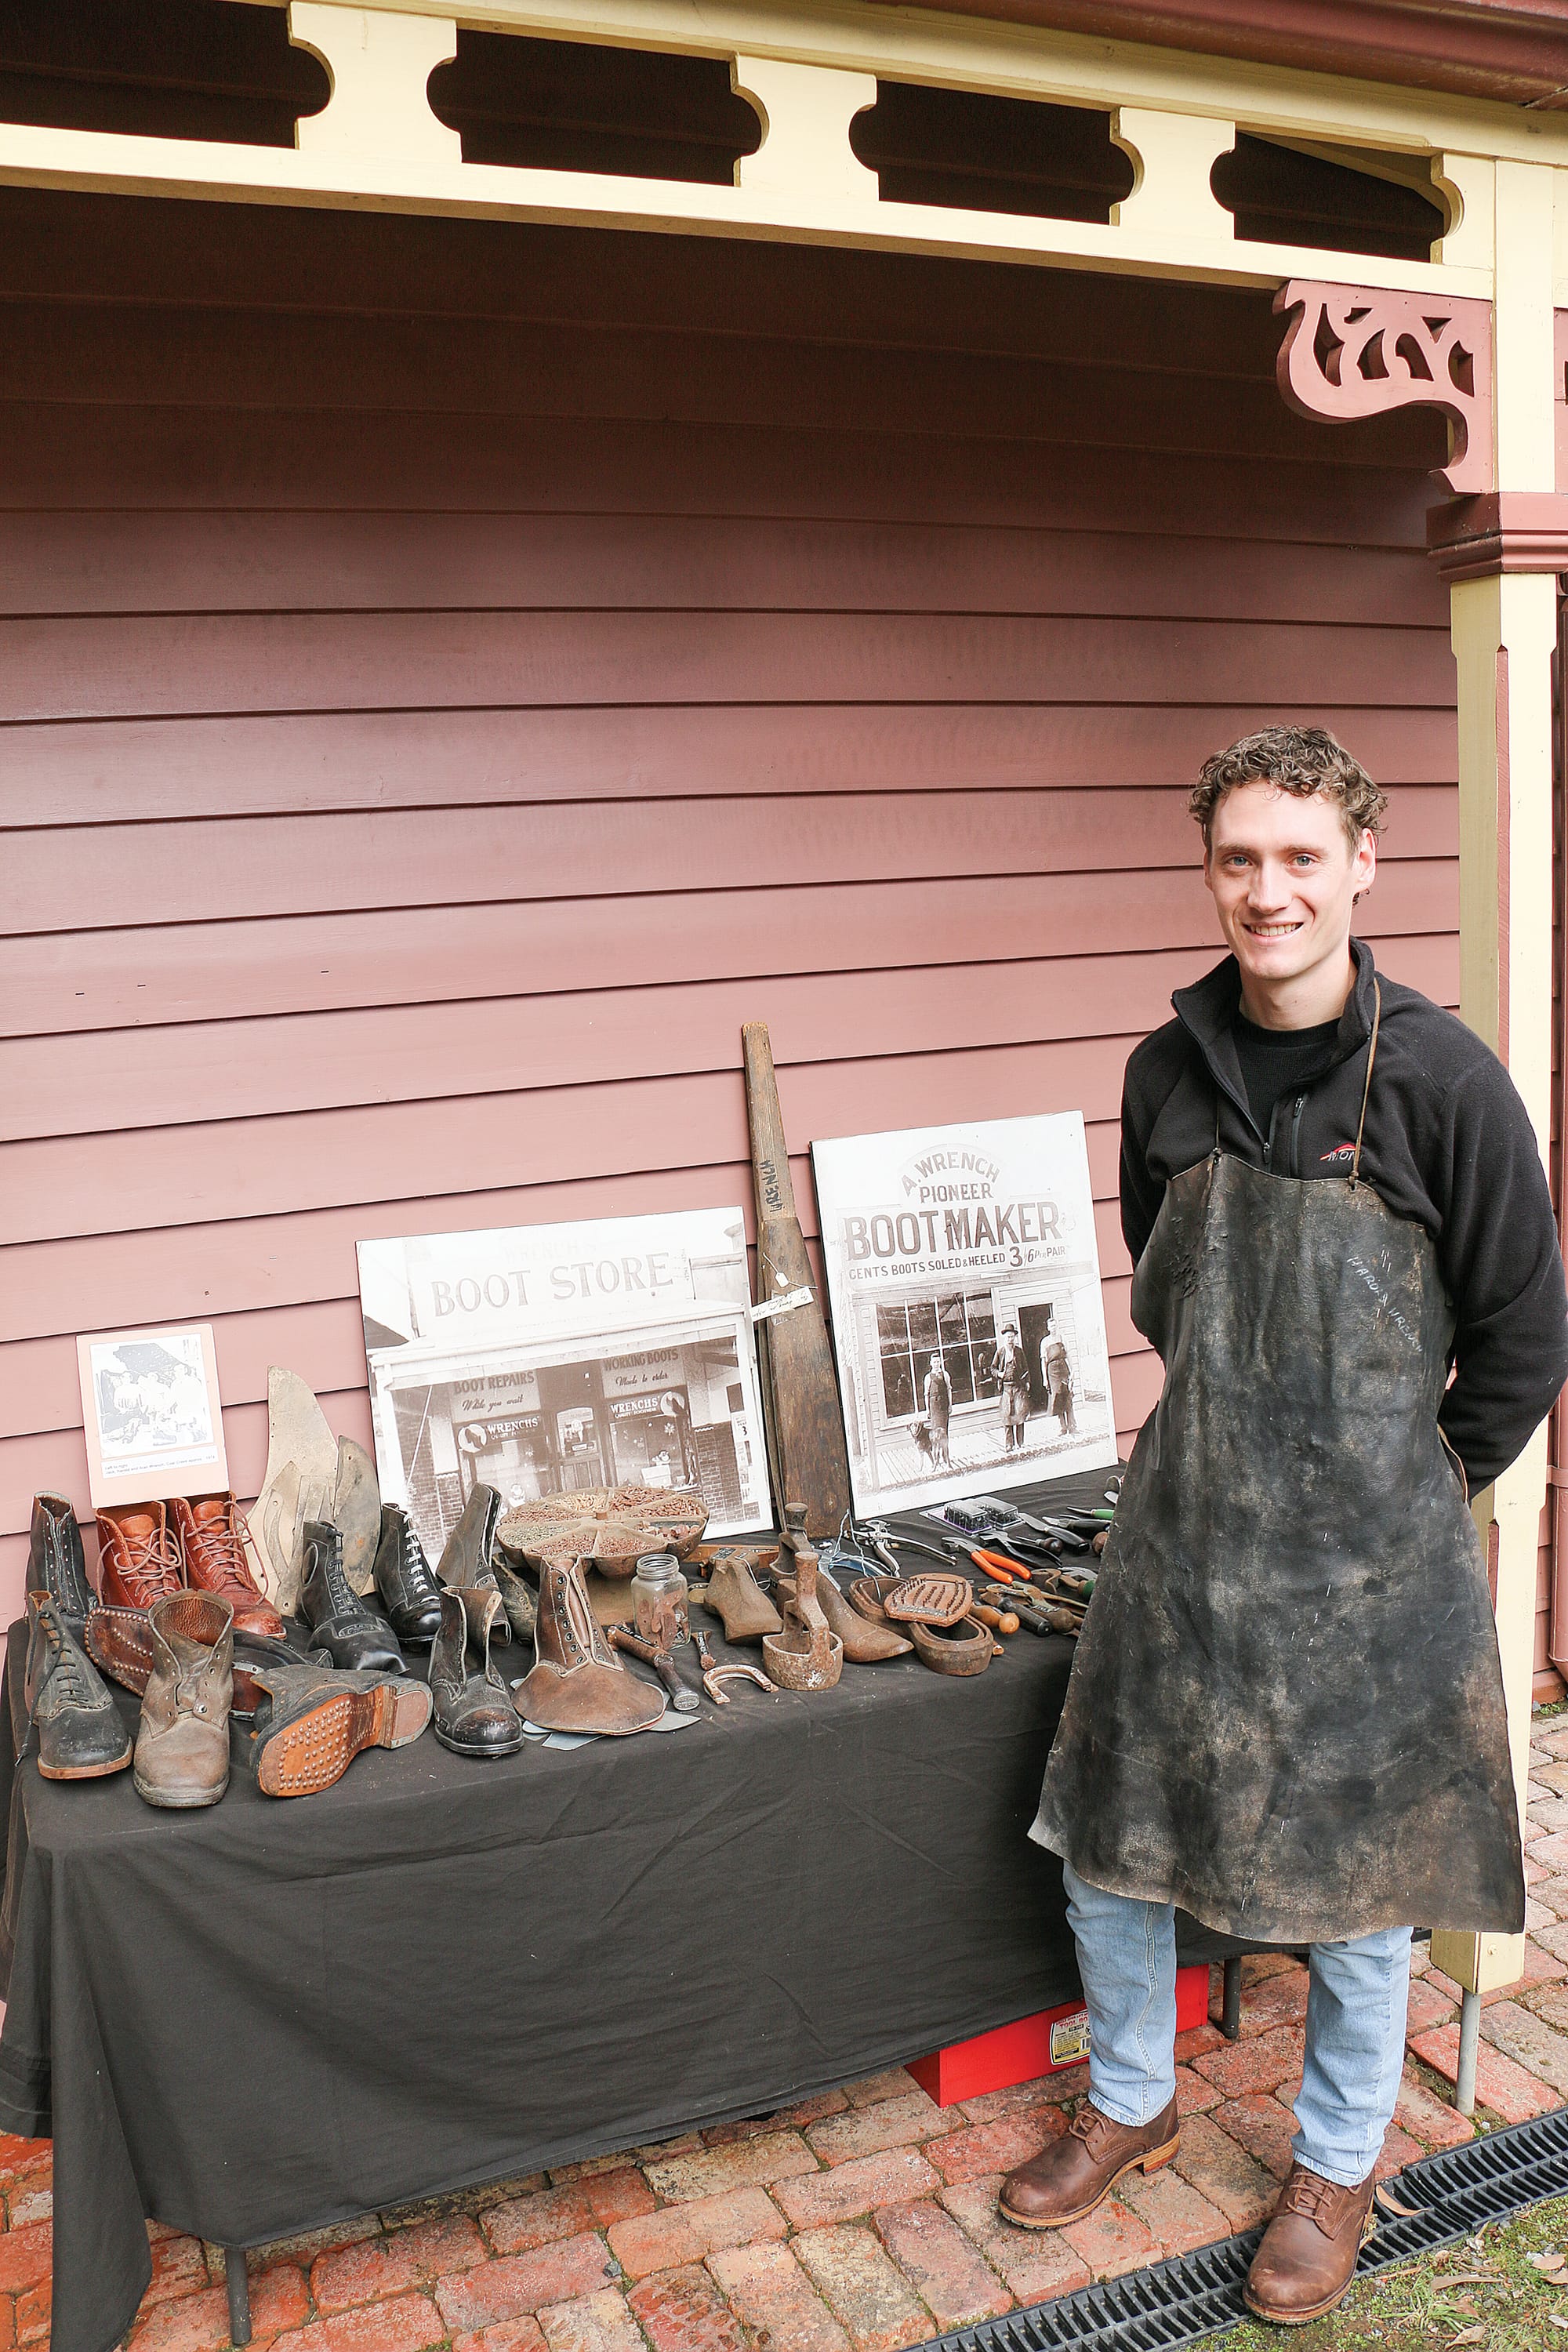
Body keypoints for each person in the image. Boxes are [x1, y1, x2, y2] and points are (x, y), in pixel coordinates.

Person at [1001, 726, 1568, 2327]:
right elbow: (1167, 1286)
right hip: (1181, 1538)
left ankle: (1334, 2164)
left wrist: (1415, 1487)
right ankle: (1131, 2098)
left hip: (1372, 1573)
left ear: (1362, 864)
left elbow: (1524, 1332)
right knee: (1110, 1840)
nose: (1271, 892)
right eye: (1241, 859)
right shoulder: (1162, 1074)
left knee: (1358, 1885)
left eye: (1302, 857)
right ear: (1210, 872)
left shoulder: (1446, 1082)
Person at [991, 1323, 1030, 1454]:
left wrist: (1027, 1381)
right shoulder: (1000, 1352)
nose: (1010, 1339)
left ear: (1015, 1338)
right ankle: (1009, 1444)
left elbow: (1026, 1367)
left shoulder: (1019, 1351)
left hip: (1018, 1386)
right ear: (1004, 1338)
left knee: (1020, 1413)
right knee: (1007, 1415)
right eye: (1008, 1337)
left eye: (1012, 1337)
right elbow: (993, 1368)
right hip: (1006, 1388)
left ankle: (1021, 1443)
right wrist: (999, 1374)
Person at [1039, 1313, 1075, 1438]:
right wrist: (1045, 1379)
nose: (1053, 1328)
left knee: (1067, 1396)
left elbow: (1068, 1355)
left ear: (1057, 1326)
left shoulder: (1062, 1338)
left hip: (1063, 1368)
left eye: (1055, 1326)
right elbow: (1043, 1362)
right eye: (1051, 1326)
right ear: (1048, 1328)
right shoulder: (1045, 1342)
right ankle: (1062, 1427)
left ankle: (1072, 1425)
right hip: (1052, 1371)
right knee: (1057, 1397)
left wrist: (1072, 1370)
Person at [924, 1352, 953, 1468]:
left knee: (945, 1433)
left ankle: (946, 1457)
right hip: (934, 1407)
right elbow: (926, 1394)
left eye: (938, 1362)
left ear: (940, 1362)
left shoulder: (945, 1374)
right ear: (931, 1364)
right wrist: (928, 1410)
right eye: (934, 1362)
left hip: (944, 1406)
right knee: (935, 1434)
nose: (936, 1364)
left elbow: (949, 1390)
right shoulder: (928, 1377)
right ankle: (936, 1459)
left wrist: (950, 1405)